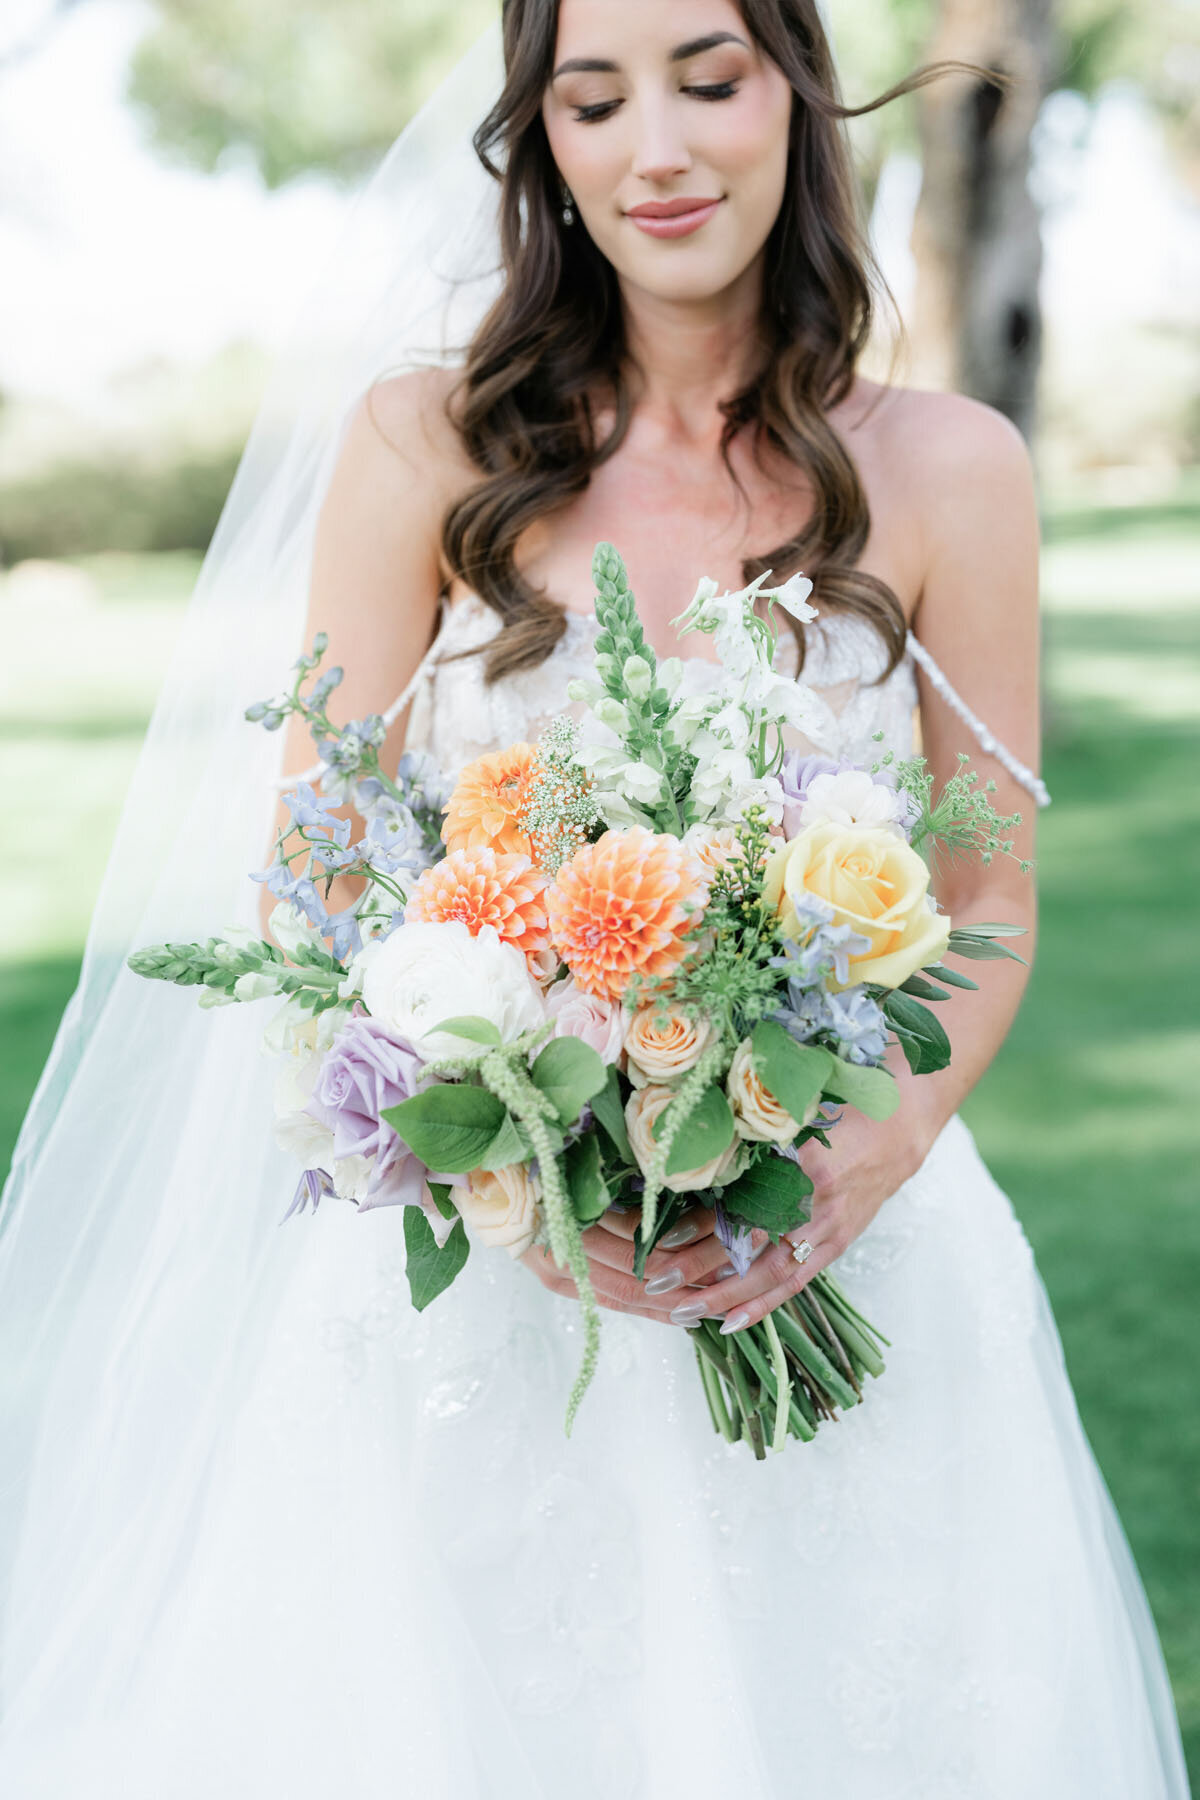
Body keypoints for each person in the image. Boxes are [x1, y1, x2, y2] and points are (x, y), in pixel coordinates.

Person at [0, 3, 1190, 1796]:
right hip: (479, 1294)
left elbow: (989, 895)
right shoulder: (425, 447)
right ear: (537, 137)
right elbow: (316, 882)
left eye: (710, 81)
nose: (660, 150)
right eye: (593, 96)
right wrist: (515, 1179)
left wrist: (876, 1149)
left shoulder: (955, 471)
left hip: (839, 1240)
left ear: (795, 92)